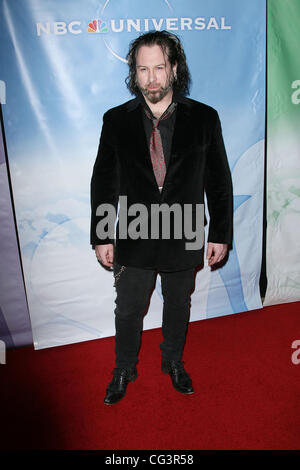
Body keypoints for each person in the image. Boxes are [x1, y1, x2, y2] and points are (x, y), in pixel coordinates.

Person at [90, 30, 233, 405]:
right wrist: (103, 234)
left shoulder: (204, 118)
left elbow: (218, 179)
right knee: (129, 308)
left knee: (178, 303)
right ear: (134, 73)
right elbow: (104, 180)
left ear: (173, 68)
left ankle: (173, 361)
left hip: (185, 229)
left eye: (159, 67)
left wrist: (220, 232)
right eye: (143, 69)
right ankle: (124, 367)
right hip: (134, 231)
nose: (151, 78)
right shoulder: (115, 120)